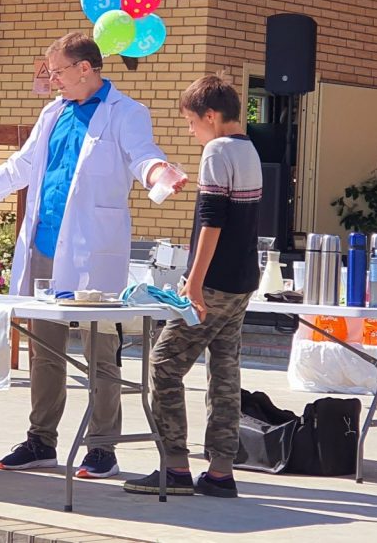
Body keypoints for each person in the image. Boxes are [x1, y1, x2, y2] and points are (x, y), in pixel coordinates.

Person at [0, 32, 183, 479]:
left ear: (85, 68)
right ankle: (41, 440)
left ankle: (102, 447)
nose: (52, 81)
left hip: (93, 252)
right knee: (43, 349)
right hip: (44, 247)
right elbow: (19, 169)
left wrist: (159, 173)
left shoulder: (127, 112)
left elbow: (143, 157)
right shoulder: (52, 113)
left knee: (100, 349)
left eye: (57, 72)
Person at [123, 75, 262, 498]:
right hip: (242, 278)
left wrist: (194, 282)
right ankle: (220, 471)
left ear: (211, 116)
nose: (190, 132)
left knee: (164, 363)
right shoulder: (249, 148)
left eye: (190, 122)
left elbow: (212, 222)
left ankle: (176, 466)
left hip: (215, 280)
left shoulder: (217, 151)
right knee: (225, 372)